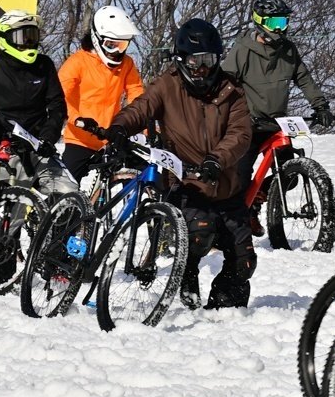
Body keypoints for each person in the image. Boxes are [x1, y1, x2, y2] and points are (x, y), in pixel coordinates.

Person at [106, 18, 257, 309]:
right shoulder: (168, 85)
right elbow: (141, 108)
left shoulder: (232, 90)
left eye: (209, 60)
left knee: (244, 260)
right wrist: (120, 127)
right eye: (194, 61)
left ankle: (224, 311)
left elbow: (240, 133)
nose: (202, 69)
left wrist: (217, 159)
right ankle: (187, 277)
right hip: (187, 183)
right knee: (197, 236)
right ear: (180, 60)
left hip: (226, 184)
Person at [0, 7, 71, 194]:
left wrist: (49, 137)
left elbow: (57, 105)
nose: (28, 43)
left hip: (39, 145)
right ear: (5, 38)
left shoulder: (44, 65)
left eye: (32, 37)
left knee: (70, 195)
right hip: (7, 145)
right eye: (22, 38)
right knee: (17, 203)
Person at [226, 0, 335, 140]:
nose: (279, 29)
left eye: (283, 23)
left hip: (278, 123)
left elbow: (304, 79)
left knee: (288, 158)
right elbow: (224, 85)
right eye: (273, 23)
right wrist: (233, 116)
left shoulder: (288, 50)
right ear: (260, 22)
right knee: (242, 162)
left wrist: (321, 107)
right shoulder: (242, 50)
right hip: (249, 124)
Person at [59, 5, 145, 180]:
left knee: (146, 175)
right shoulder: (78, 62)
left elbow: (137, 95)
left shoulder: (127, 64)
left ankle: (146, 207)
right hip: (80, 139)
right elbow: (60, 96)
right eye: (111, 45)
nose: (117, 52)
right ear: (97, 39)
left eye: (122, 45)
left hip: (112, 137)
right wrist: (77, 120)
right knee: (62, 189)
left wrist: (144, 128)